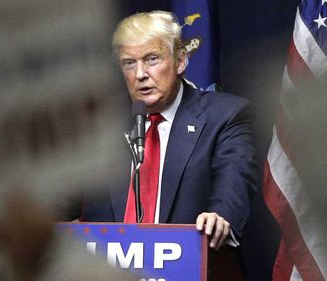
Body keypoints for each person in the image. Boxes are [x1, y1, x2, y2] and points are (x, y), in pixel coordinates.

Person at [79, 10, 257, 252]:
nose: (140, 74)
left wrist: (220, 216)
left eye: (152, 59)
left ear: (181, 61)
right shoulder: (101, 123)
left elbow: (234, 180)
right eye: (129, 63)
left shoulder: (225, 116)